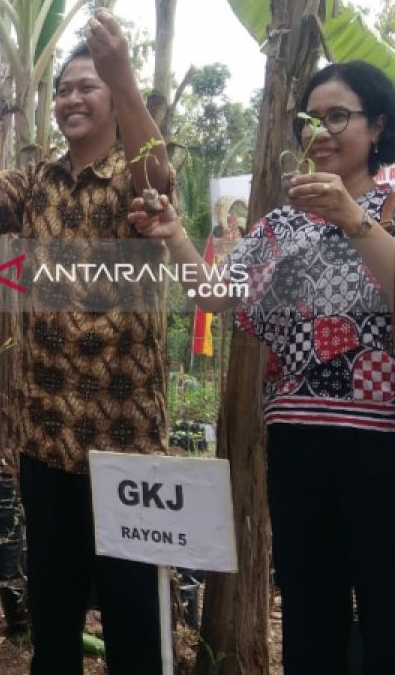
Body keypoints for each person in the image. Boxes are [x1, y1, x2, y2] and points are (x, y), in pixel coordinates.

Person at [0, 9, 172, 673]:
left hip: (124, 439)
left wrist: (125, 74)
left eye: (88, 86)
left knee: (134, 614)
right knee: (54, 614)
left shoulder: (135, 179)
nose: (72, 98)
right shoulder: (37, 183)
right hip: (46, 438)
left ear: (112, 98)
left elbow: (158, 178)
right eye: (65, 89)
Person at [129, 60, 395, 674]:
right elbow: (216, 295)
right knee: (309, 609)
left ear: (377, 126)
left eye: (338, 116)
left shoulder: (388, 206)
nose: (320, 132)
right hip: (297, 441)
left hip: (380, 446)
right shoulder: (281, 224)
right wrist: (173, 234)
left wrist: (353, 219)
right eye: (310, 119)